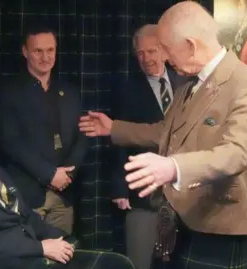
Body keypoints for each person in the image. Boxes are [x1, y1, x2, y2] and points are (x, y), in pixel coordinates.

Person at [79, 1, 247, 269]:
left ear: (190, 45)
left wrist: (173, 167)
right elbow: (164, 132)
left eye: (166, 50)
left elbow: (236, 153)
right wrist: (114, 128)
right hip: (177, 222)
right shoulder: (187, 84)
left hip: (215, 228)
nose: (164, 59)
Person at [0, 113, 134, 269]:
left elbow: (25, 215)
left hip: (31, 250)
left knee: (116, 263)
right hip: (9, 262)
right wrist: (41, 248)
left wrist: (62, 238)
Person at [0, 25, 88, 234]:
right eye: (38, 51)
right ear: (25, 52)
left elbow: (83, 135)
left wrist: (67, 175)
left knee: (62, 259)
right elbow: (10, 142)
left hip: (64, 194)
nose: (45, 57)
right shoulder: (9, 91)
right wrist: (49, 174)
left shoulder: (70, 91)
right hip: (28, 195)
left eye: (50, 50)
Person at [111, 24, 185, 269]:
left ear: (165, 51)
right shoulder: (127, 89)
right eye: (140, 53)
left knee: (177, 260)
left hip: (183, 190)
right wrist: (120, 187)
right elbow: (118, 140)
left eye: (151, 51)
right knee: (140, 260)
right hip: (143, 191)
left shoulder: (186, 83)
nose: (146, 58)